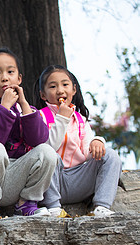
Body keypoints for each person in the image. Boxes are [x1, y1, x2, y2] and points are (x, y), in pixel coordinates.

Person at [0, 47, 58, 222]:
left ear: (19, 78)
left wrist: (23, 105)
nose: (5, 77)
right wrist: (4, 108)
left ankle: (26, 203)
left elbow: (38, 139)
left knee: (47, 151)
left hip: (13, 180)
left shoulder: (28, 110)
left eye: (10, 72)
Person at [33, 65, 122, 217]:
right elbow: (46, 149)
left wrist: (97, 141)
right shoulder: (39, 116)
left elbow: (88, 152)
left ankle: (101, 206)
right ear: (43, 95)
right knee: (49, 155)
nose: (60, 90)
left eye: (65, 84)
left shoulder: (81, 120)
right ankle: (54, 207)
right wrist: (61, 118)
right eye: (53, 86)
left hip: (77, 180)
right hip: (51, 182)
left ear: (74, 90)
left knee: (111, 155)